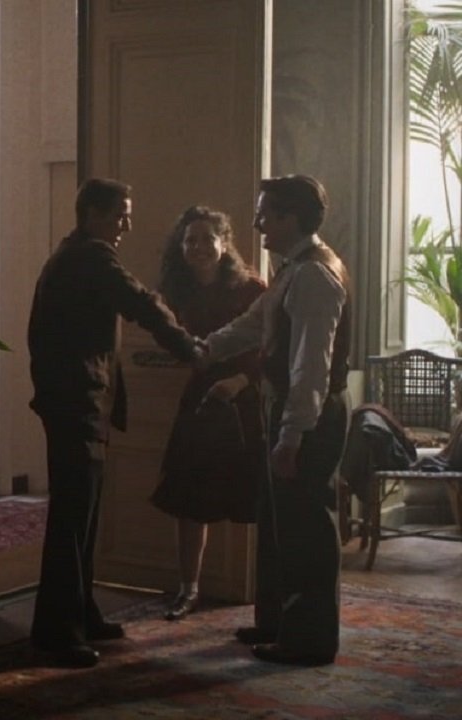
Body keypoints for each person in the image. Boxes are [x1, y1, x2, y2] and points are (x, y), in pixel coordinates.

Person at [27, 178, 199, 668]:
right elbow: (141, 301)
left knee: (82, 517)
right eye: (120, 214)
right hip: (76, 403)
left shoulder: (74, 254)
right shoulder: (92, 257)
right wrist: (188, 348)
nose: (127, 224)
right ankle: (58, 633)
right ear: (93, 214)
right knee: (72, 520)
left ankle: (81, 613)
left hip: (75, 403)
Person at [199, 174, 350, 666]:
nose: (257, 223)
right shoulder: (294, 270)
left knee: (305, 527)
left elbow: (311, 368)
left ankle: (309, 640)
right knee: (280, 521)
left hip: (307, 414)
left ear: (291, 218)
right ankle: (278, 623)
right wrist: (203, 348)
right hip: (288, 408)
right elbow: (254, 324)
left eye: (265, 214)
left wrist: (292, 436)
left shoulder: (313, 276)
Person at [151, 206, 267, 621]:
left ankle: (265, 593)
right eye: (190, 240)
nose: (198, 247)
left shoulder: (251, 288)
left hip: (245, 395)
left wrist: (242, 381)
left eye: (206, 239)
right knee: (189, 496)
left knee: (256, 495)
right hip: (201, 394)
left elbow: (272, 347)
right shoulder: (178, 291)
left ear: (224, 242)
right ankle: (189, 589)